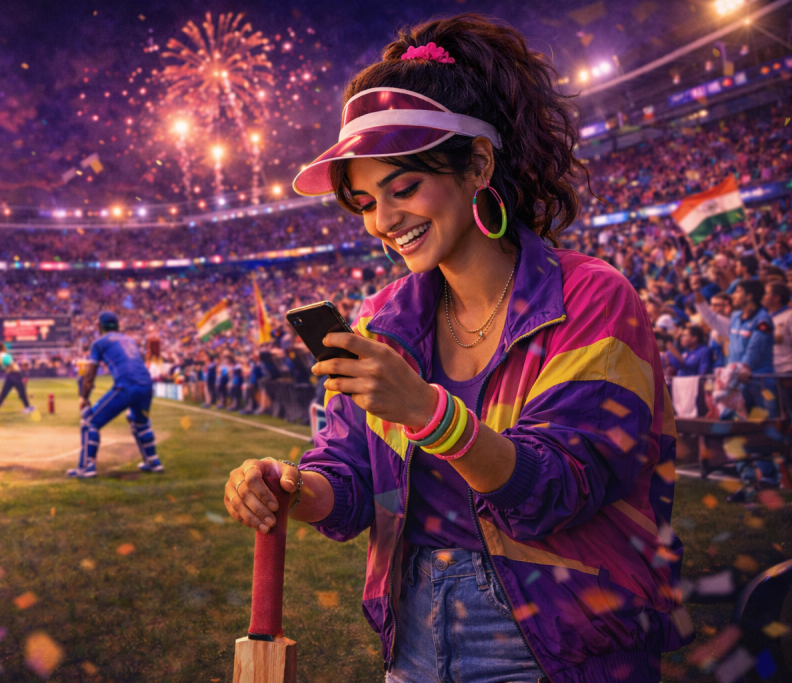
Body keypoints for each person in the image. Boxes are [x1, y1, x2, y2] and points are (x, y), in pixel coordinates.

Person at [224, 17, 690, 683]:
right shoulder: (381, 319)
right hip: (413, 632)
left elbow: (556, 490)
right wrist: (289, 487)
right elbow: (351, 485)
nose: (383, 221)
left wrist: (427, 412)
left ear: (478, 165)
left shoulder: (592, 297)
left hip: (561, 636)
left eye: (403, 188)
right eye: (365, 201)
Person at [69, 311, 163, 478]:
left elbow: (89, 376)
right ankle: (153, 462)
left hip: (126, 386)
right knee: (140, 422)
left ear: (99, 326)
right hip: (146, 385)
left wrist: (84, 397)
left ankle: (87, 467)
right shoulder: (130, 340)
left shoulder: (99, 343)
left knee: (90, 422)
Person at [724, 279, 781, 502]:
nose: (734, 295)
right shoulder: (736, 317)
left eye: (738, 291)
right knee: (735, 430)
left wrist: (743, 368)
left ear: (749, 296)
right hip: (737, 383)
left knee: (760, 431)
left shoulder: (762, 320)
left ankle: (768, 478)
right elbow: (733, 352)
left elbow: (754, 352)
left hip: (760, 384)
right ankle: (748, 478)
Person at [0, 344, 34, 413]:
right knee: (21, 390)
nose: (6, 348)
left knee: (4, 392)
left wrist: (6, 370)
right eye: (4, 347)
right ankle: (27, 407)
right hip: (14, 374)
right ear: (2, 348)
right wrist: (11, 366)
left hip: (9, 374)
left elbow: (0, 369)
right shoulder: (4, 355)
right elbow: (10, 363)